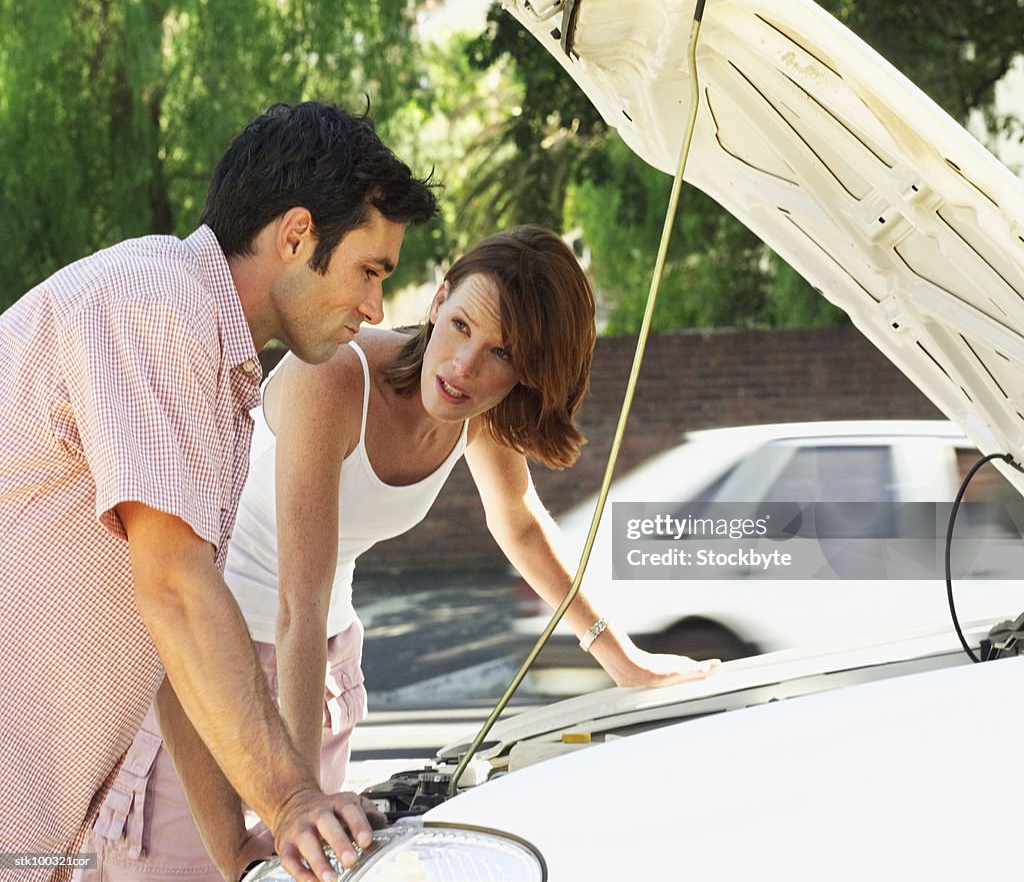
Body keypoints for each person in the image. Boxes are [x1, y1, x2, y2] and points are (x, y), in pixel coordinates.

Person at [83, 226, 719, 881]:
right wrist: (298, 798)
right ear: (439, 299)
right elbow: (298, 601)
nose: (464, 366)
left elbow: (520, 525)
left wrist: (622, 659)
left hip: (320, 671)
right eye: (461, 325)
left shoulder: (479, 410)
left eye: (501, 352)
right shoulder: (335, 375)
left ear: (527, 370)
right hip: (212, 664)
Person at [0, 101, 439, 882]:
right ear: (296, 236)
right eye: (370, 271)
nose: (376, 309)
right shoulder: (155, 309)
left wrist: (236, 844)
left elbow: (170, 640)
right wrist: (292, 799)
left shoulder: (206, 352)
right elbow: (176, 591)